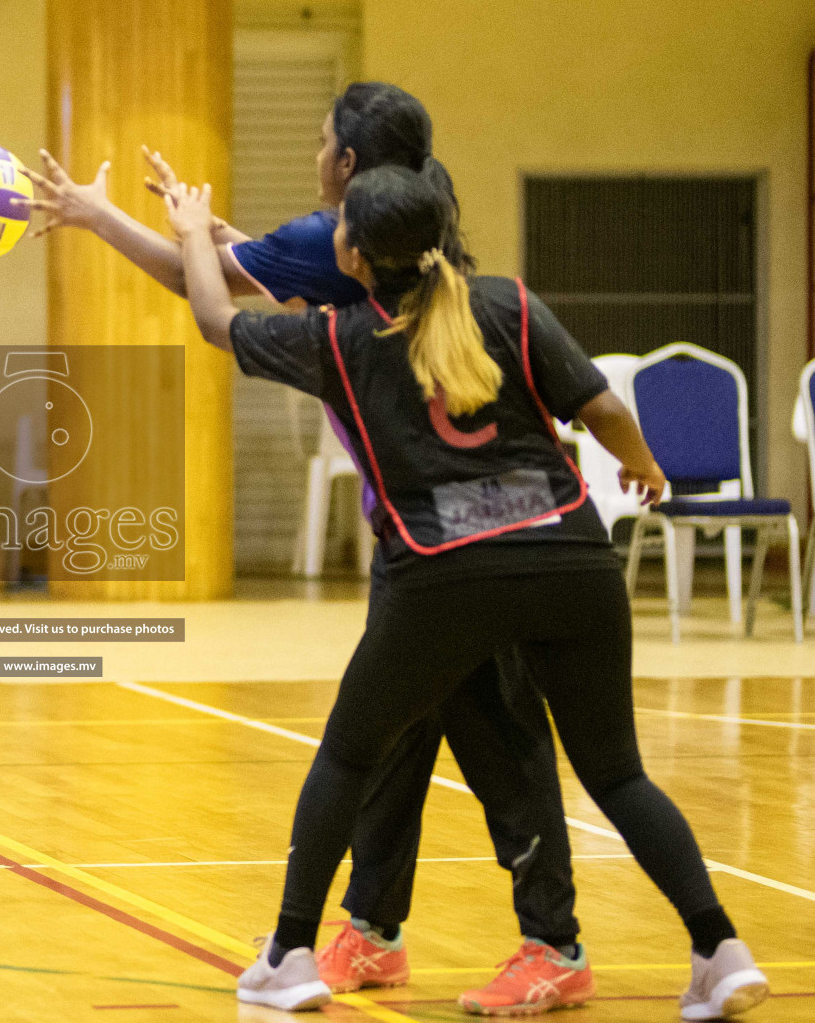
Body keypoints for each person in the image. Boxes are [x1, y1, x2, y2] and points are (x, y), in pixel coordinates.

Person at [20, 83, 591, 1015]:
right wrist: (202, 234)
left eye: (323, 139)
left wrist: (100, 215)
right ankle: (371, 930)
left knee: (498, 739)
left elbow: (200, 290)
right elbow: (244, 265)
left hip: (464, 539)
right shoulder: (413, 217)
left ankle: (553, 940)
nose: (313, 150)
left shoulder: (349, 240)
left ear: (351, 167)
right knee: (395, 738)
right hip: (428, 530)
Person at [166, 163, 770, 1020]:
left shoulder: (343, 337)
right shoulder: (507, 305)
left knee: (348, 754)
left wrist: (194, 232)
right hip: (575, 563)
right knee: (619, 774)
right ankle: (720, 947)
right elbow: (599, 405)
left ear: (354, 254)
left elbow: (215, 320)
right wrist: (642, 464)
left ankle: (288, 954)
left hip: (447, 577)